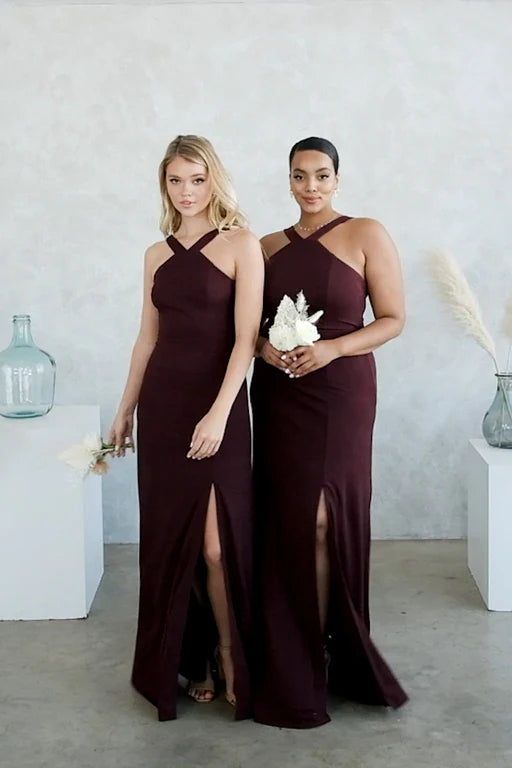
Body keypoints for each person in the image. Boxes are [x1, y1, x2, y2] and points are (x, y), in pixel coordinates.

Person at [250, 136, 408, 728]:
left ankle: (329, 643)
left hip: (341, 394)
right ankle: (291, 650)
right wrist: (268, 351)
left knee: (326, 516)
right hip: (279, 395)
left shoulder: (367, 233)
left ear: (337, 178)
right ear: (287, 181)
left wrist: (332, 348)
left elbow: (393, 319)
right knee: (288, 516)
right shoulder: (265, 246)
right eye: (298, 176)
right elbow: (249, 326)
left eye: (320, 175)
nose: (309, 186)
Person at [109, 134, 264, 721]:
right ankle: (192, 657)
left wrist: (221, 411)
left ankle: (228, 652)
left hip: (217, 407)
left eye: (197, 179)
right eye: (177, 180)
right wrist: (125, 408)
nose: (188, 191)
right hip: (164, 408)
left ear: (214, 180)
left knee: (217, 547)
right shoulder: (156, 254)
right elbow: (147, 338)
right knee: (175, 543)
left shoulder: (241, 245)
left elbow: (246, 339)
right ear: (164, 185)